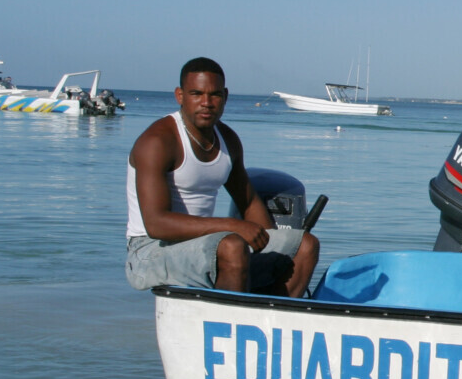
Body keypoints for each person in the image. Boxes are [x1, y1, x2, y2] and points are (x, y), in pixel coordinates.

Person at [126, 57, 319, 296]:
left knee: (305, 245)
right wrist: (233, 226)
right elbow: (156, 225)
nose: (206, 103)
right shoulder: (157, 142)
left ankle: (271, 320)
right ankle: (230, 322)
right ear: (180, 95)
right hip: (149, 251)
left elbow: (247, 202)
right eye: (196, 93)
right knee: (232, 245)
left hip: (204, 244)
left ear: (225, 96)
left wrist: (271, 246)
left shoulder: (228, 140)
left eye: (214, 95)